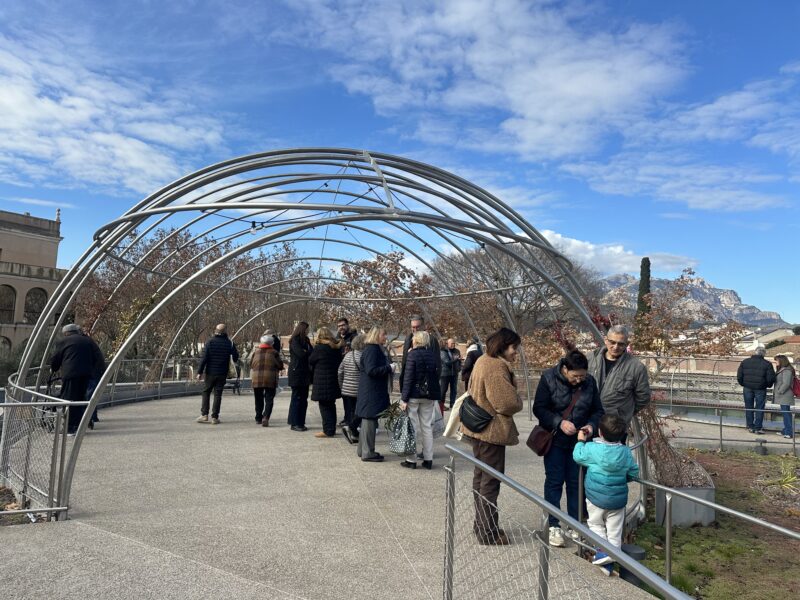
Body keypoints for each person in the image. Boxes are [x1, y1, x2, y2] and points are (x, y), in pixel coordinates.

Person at [460, 327, 524, 545]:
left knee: (480, 479)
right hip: (491, 432)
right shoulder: (497, 366)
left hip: (477, 429)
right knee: (490, 482)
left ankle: (481, 526)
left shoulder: (482, 360)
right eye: (514, 347)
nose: (516, 352)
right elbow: (506, 403)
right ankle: (488, 532)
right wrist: (517, 397)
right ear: (504, 346)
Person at [533, 349, 604, 548]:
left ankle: (575, 523)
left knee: (576, 482)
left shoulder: (590, 382)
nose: (579, 380)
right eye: (575, 376)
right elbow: (539, 408)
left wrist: (591, 425)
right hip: (555, 439)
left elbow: (598, 410)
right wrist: (559, 422)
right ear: (565, 369)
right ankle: (553, 524)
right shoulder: (548, 378)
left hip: (580, 442)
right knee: (554, 481)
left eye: (583, 376)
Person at [573, 414, 639, 575]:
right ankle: (608, 563)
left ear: (600, 433)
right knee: (615, 531)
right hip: (617, 500)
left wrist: (581, 440)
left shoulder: (592, 448)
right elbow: (634, 473)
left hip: (595, 498)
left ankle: (603, 552)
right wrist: (624, 478)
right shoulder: (624, 452)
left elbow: (577, 456)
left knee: (595, 524)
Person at [587, 325, 650, 433]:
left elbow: (643, 397)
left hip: (615, 427)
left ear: (627, 344)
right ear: (606, 340)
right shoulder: (590, 358)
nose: (616, 347)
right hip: (588, 422)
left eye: (621, 344)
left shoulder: (636, 367)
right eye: (612, 342)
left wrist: (624, 412)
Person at [49, 323, 103, 435]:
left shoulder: (63, 341)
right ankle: (78, 425)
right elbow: (96, 358)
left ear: (66, 333)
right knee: (80, 399)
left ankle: (70, 428)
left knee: (69, 399)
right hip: (86, 374)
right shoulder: (88, 341)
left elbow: (56, 359)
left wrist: (54, 368)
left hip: (70, 375)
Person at [400, 331, 441, 470]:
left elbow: (408, 378)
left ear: (416, 341)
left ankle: (411, 460)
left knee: (412, 427)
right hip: (428, 396)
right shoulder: (432, 355)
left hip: (413, 395)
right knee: (426, 427)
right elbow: (436, 375)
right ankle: (428, 459)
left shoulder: (413, 354)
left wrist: (404, 398)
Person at [355, 327, 394, 462]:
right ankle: (368, 452)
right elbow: (372, 370)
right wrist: (389, 368)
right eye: (384, 334)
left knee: (367, 420)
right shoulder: (373, 349)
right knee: (369, 421)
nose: (386, 337)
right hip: (372, 392)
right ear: (377, 335)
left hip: (370, 391)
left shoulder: (371, 349)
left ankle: (363, 450)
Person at [195, 323, 239, 425]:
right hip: (222, 372)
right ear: (225, 331)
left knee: (206, 392)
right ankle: (215, 417)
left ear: (216, 330)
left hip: (210, 372)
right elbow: (236, 357)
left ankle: (204, 415)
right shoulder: (229, 343)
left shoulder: (210, 342)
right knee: (218, 394)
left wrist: (200, 372)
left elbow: (204, 358)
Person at [309, 327, 342, 438]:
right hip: (333, 380)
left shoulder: (319, 348)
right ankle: (331, 428)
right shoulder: (336, 347)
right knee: (331, 405)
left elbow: (311, 360)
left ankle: (327, 430)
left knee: (324, 406)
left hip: (322, 381)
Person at [737, 346, 777, 434]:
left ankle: (750, 426)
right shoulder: (767, 364)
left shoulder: (745, 362)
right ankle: (758, 427)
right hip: (761, 388)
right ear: (764, 354)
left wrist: (743, 384)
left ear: (755, 352)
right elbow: (771, 378)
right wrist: (767, 385)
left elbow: (739, 376)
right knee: (760, 408)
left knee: (748, 407)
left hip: (747, 388)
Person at [400, 315, 440, 394]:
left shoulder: (431, 340)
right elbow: (404, 362)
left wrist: (430, 384)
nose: (415, 330)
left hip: (424, 386)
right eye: (413, 327)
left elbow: (437, 364)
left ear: (423, 326)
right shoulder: (408, 339)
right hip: (409, 384)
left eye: (417, 327)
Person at [250, 335, 284, 427]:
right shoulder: (274, 353)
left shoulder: (256, 352)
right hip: (270, 379)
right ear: (272, 343)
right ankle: (266, 417)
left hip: (257, 378)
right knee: (269, 399)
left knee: (258, 399)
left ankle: (258, 418)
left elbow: (251, 364)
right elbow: (280, 366)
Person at [338, 334, 364, 444]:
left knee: (349, 412)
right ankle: (352, 429)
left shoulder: (348, 355)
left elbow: (340, 371)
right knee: (359, 412)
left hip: (346, 390)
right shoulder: (362, 357)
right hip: (357, 390)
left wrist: (341, 385)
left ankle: (352, 433)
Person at [287, 321, 313, 432]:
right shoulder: (295, 340)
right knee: (297, 398)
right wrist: (306, 351)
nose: (308, 331)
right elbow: (301, 354)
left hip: (305, 373)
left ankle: (301, 421)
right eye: (306, 329)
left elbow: (311, 352)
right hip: (297, 373)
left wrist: (306, 351)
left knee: (303, 399)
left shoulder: (306, 340)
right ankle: (295, 422)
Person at [773, 355, 796, 439]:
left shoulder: (787, 370)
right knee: (785, 413)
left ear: (781, 361)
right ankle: (785, 430)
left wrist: (779, 391)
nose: (775, 362)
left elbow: (786, 383)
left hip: (785, 395)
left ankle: (789, 433)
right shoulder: (784, 369)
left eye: (776, 361)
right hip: (784, 395)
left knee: (786, 413)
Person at [439, 338, 462, 411]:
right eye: (451, 343)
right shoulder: (443, 351)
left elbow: (459, 360)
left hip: (454, 373)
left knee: (454, 390)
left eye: (454, 343)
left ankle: (452, 404)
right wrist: (456, 359)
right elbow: (447, 362)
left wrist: (459, 367)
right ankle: (441, 405)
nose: (453, 345)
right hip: (445, 374)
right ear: (447, 344)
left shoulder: (457, 351)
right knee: (443, 390)